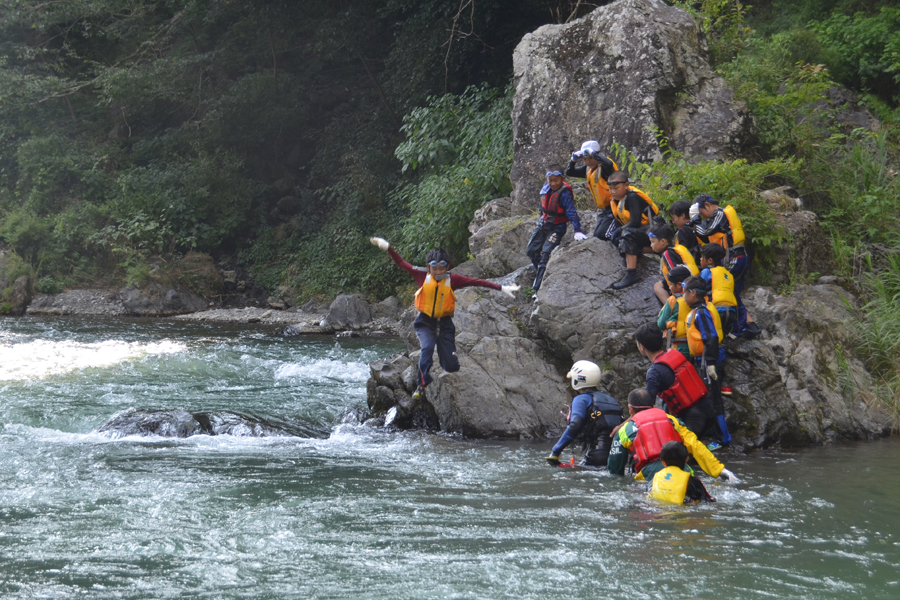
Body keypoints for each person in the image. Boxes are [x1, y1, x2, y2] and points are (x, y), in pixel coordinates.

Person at [370, 237, 519, 399]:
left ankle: (447, 362)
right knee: (426, 348)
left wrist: (502, 288)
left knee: (451, 367)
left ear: (447, 267)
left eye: (442, 268)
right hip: (425, 322)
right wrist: (387, 247)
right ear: (428, 267)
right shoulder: (421, 275)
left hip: (445, 324)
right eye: (434, 268)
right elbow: (401, 262)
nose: (438, 272)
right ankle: (422, 384)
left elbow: (477, 282)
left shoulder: (453, 280)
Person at [607, 388, 739, 482]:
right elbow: (695, 446)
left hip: (648, 479)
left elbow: (615, 468)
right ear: (653, 406)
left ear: (630, 408)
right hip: (685, 476)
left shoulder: (624, 430)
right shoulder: (673, 420)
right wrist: (720, 470)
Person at [691, 194, 760, 338]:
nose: (703, 217)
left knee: (728, 293)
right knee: (733, 292)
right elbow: (705, 236)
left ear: (707, 205)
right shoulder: (720, 217)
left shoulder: (720, 213)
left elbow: (705, 231)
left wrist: (694, 220)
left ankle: (739, 329)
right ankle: (749, 325)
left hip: (735, 258)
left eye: (702, 213)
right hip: (737, 257)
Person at [634, 323, 715, 439]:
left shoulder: (654, 372)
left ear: (641, 346)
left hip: (693, 418)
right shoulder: (674, 353)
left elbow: (646, 406)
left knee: (680, 455)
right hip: (707, 409)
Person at [682, 276, 731, 446]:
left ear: (693, 293)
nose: (683, 296)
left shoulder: (702, 312)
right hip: (701, 360)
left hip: (710, 362)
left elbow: (711, 337)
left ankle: (723, 439)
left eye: (684, 292)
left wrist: (710, 363)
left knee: (713, 400)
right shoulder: (697, 311)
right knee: (707, 398)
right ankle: (712, 434)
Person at [545, 360, 623, 467]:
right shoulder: (610, 399)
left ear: (578, 380)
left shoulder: (581, 399)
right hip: (618, 456)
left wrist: (555, 452)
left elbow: (575, 424)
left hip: (596, 455)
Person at [525, 165, 587, 293]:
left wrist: (577, 230)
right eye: (550, 180)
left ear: (562, 179)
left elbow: (571, 212)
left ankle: (537, 289)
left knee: (546, 254)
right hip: (544, 225)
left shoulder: (564, 193)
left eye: (556, 180)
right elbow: (543, 207)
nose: (553, 183)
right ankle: (542, 275)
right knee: (531, 250)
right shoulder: (546, 189)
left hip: (557, 228)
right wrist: (541, 218)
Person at [607, 171, 660, 289]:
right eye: (610, 189)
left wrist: (619, 230)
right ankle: (654, 250)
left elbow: (635, 222)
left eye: (616, 188)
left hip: (655, 231)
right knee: (620, 239)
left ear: (626, 185)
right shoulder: (618, 200)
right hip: (645, 232)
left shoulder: (632, 197)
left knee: (626, 234)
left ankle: (632, 274)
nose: (613, 191)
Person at [565, 140, 619, 241]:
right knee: (596, 235)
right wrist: (573, 160)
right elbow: (570, 172)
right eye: (585, 159)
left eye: (591, 158)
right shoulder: (588, 169)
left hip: (615, 208)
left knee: (601, 235)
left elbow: (608, 163)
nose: (588, 162)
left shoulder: (605, 168)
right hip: (604, 211)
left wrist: (594, 153)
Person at [648, 441, 716, 504]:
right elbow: (708, 500)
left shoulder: (654, 479)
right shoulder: (693, 481)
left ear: (663, 462)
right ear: (687, 459)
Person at [649, 223, 699, 304]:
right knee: (658, 285)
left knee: (658, 287)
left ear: (662, 242)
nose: (651, 245)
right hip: (692, 281)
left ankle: (671, 307)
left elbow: (675, 275)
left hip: (682, 288)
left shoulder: (667, 254)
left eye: (652, 242)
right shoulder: (676, 248)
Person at [698, 243, 738, 337]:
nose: (700, 259)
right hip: (731, 312)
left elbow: (698, 288)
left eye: (702, 257)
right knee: (721, 338)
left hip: (716, 311)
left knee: (712, 338)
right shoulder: (728, 274)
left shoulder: (706, 272)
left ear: (710, 261)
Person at [656, 266, 693, 359]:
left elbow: (661, 324)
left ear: (680, 285)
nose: (669, 287)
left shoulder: (673, 299)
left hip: (679, 346)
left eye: (671, 284)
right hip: (696, 344)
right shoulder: (697, 296)